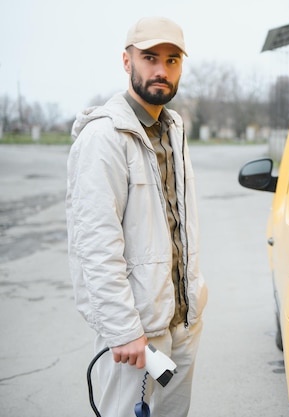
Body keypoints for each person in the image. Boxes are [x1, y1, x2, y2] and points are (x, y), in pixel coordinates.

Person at [66, 16, 208, 417]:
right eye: (150, 58)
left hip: (181, 320)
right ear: (127, 62)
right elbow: (95, 245)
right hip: (138, 333)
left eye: (173, 59)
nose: (162, 70)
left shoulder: (172, 128)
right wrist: (123, 329)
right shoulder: (105, 138)